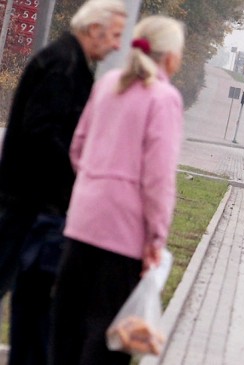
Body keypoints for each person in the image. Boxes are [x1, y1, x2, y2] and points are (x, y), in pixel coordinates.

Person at [50, 15, 186, 365]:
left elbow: (77, 148)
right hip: (123, 234)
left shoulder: (107, 83)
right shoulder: (164, 99)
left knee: (67, 328)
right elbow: (157, 180)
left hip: (82, 221)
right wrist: (156, 239)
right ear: (169, 56)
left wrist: (97, 186)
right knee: (107, 336)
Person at [0, 1, 127, 364]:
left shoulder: (70, 62)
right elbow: (44, 135)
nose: (118, 45)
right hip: (30, 200)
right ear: (95, 29)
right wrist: (79, 174)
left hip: (36, 200)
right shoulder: (63, 66)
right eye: (116, 35)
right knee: (18, 283)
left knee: (32, 295)